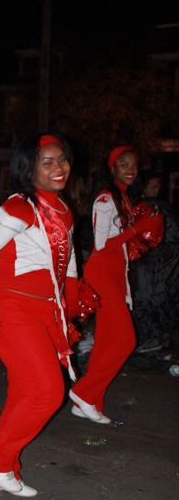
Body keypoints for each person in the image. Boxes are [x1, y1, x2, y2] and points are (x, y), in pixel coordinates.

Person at [0, 134, 80, 497]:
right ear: (29, 169)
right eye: (47, 162)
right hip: (13, 309)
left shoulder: (62, 208)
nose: (58, 167)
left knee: (25, 391)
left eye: (61, 160)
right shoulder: (21, 206)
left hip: (45, 310)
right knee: (48, 391)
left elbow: (68, 257)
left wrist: (72, 299)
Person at [70, 147, 164, 422]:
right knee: (125, 340)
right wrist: (137, 228)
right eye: (124, 165)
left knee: (106, 341)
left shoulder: (123, 197)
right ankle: (84, 393)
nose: (130, 169)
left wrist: (137, 239)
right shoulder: (104, 198)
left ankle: (88, 403)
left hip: (115, 274)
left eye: (133, 165)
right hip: (103, 274)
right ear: (112, 169)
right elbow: (100, 246)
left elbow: (120, 240)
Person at [129, 169, 179, 353]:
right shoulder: (145, 206)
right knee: (147, 298)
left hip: (156, 263)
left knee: (152, 298)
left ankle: (154, 338)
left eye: (158, 186)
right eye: (153, 186)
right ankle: (152, 338)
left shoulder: (156, 206)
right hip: (150, 263)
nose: (157, 190)